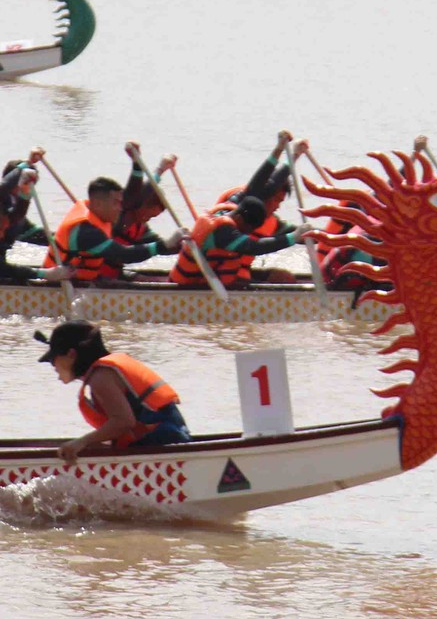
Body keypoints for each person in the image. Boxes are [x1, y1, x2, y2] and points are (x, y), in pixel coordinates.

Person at [36, 320, 189, 465]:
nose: (53, 366)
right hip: (172, 438)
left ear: (71, 354)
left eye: (52, 359)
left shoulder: (101, 377)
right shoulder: (105, 371)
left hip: (164, 443)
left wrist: (81, 443)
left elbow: (123, 422)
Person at [53, 153, 184, 285]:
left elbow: (164, 247)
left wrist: (184, 244)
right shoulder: (115, 219)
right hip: (89, 280)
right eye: (148, 215)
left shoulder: (140, 229)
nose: (147, 220)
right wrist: (159, 170)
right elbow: (124, 254)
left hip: (112, 275)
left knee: (157, 280)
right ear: (139, 205)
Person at [170, 195, 310, 289]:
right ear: (239, 218)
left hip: (208, 281)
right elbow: (254, 247)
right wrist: (294, 237)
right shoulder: (223, 231)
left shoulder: (226, 215)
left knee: (282, 277)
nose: (247, 233)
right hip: (188, 286)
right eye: (248, 229)